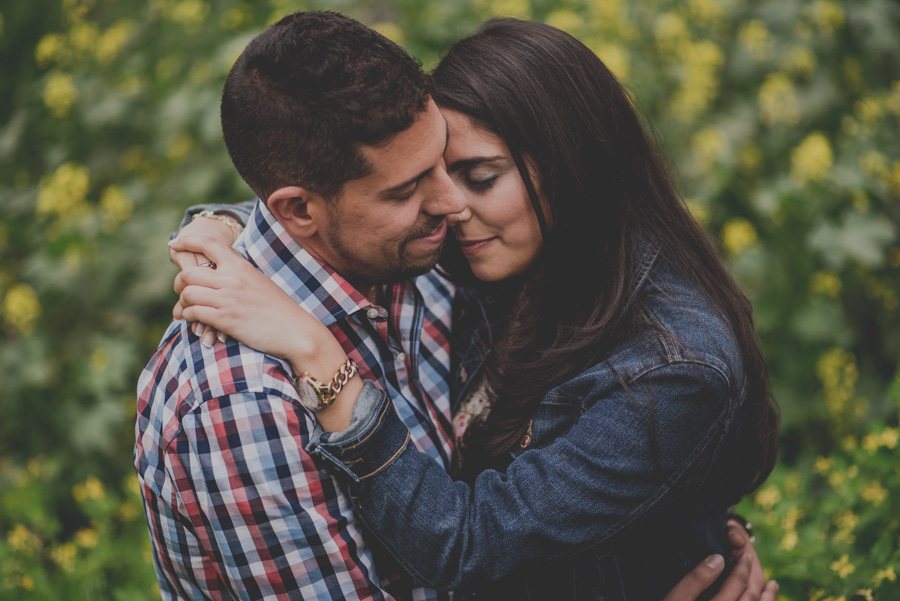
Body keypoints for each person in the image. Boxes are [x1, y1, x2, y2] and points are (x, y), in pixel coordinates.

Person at [168, 16, 779, 601]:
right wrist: (218, 231)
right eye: (423, 180)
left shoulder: (672, 366)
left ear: (574, 167)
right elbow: (328, 208)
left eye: (478, 177)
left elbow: (470, 542)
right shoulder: (477, 259)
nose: (450, 206)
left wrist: (320, 355)